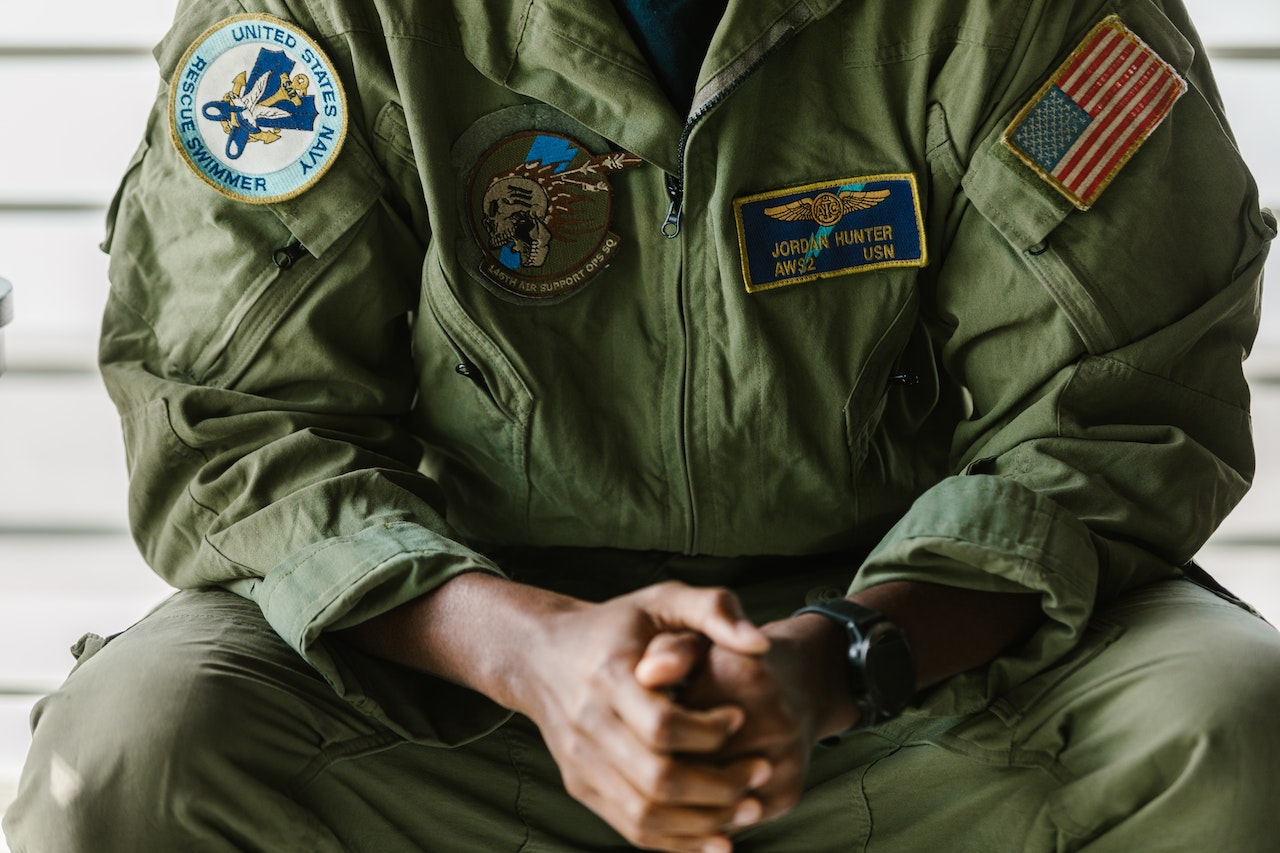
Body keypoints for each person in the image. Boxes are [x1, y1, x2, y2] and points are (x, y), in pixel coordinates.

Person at [6, 0, 1280, 850]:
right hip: (444, 675)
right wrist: (535, 655)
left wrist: (828, 664)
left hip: (918, 665)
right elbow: (237, 422)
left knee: (1225, 725)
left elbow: (1109, 412)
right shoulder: (312, 22)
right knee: (135, 753)